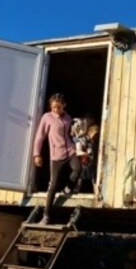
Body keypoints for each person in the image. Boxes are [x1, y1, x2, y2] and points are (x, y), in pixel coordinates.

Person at [33, 93, 82, 224]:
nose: (56, 110)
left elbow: (72, 134)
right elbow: (39, 137)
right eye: (53, 107)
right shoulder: (47, 118)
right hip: (56, 154)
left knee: (78, 169)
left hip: (70, 150)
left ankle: (67, 189)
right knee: (53, 185)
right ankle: (46, 216)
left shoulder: (68, 118)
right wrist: (36, 154)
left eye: (58, 107)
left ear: (64, 106)